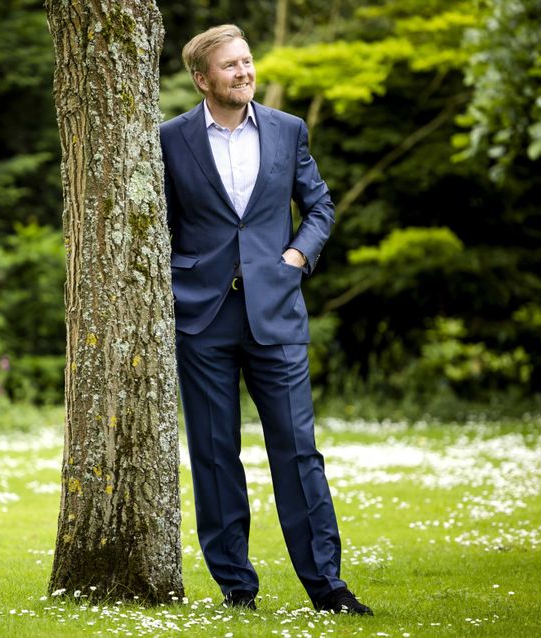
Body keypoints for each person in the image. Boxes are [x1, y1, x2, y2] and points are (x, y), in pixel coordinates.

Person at [159, 24, 372, 615]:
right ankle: (237, 589)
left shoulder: (287, 130)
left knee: (298, 451)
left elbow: (319, 204)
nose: (243, 72)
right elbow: (163, 224)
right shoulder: (170, 140)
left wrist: (297, 256)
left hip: (276, 314)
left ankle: (327, 586)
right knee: (214, 452)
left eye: (247, 61)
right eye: (229, 66)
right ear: (202, 79)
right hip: (202, 320)